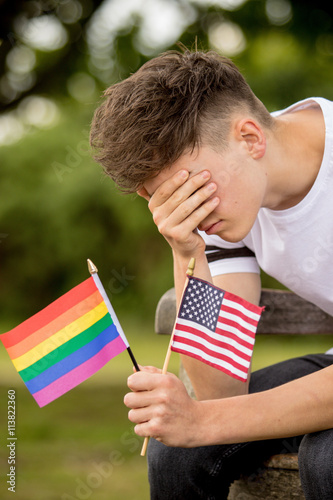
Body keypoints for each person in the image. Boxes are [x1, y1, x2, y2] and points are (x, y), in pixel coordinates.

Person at [90, 48, 333, 499]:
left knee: (328, 459)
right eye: (167, 200)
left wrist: (200, 421)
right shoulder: (227, 193)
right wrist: (188, 253)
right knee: (173, 453)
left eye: (192, 192)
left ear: (250, 138)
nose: (191, 213)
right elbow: (222, 391)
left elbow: (211, 416)